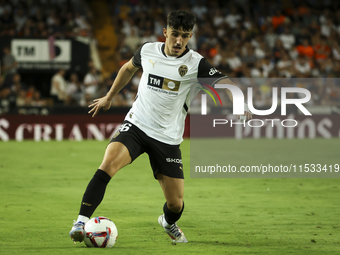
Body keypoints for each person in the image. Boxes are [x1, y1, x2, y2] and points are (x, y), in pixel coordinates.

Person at [69, 10, 252, 244]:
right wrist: (109, 96)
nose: (179, 41)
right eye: (175, 34)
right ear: (165, 32)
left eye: (185, 36)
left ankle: (167, 222)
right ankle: (80, 222)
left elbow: (226, 83)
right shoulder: (147, 50)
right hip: (136, 125)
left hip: (167, 138)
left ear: (190, 36)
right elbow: (127, 69)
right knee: (108, 165)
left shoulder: (195, 63)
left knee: (176, 204)